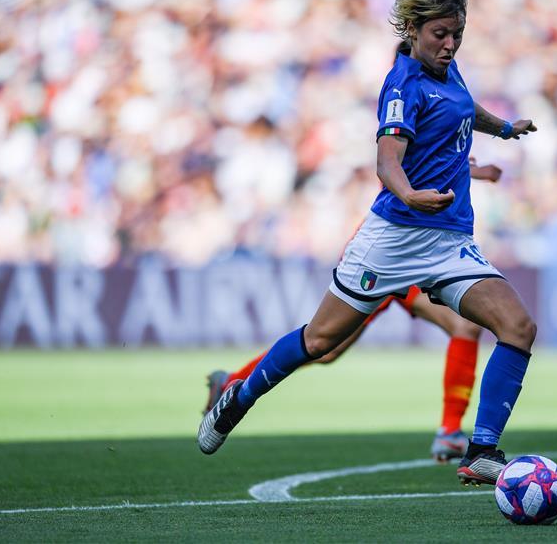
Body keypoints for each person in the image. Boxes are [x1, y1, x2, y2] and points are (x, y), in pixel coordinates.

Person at [199, 0, 538, 487]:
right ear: (414, 31)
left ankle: (480, 451)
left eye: (457, 34)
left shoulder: (448, 71)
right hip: (394, 239)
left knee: (517, 327)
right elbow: (387, 161)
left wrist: (504, 128)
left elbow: (465, 109)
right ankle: (237, 397)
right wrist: (408, 194)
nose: (450, 45)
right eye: (440, 34)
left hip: (449, 242)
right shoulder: (403, 85)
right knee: (320, 343)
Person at [203, 159, 503, 463]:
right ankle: (232, 383)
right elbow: (400, 165)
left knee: (462, 326)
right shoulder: (404, 131)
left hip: (422, 250)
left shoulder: (447, 133)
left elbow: (436, 162)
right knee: (324, 346)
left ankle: (449, 431)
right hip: (390, 250)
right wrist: (469, 167)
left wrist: (469, 168)